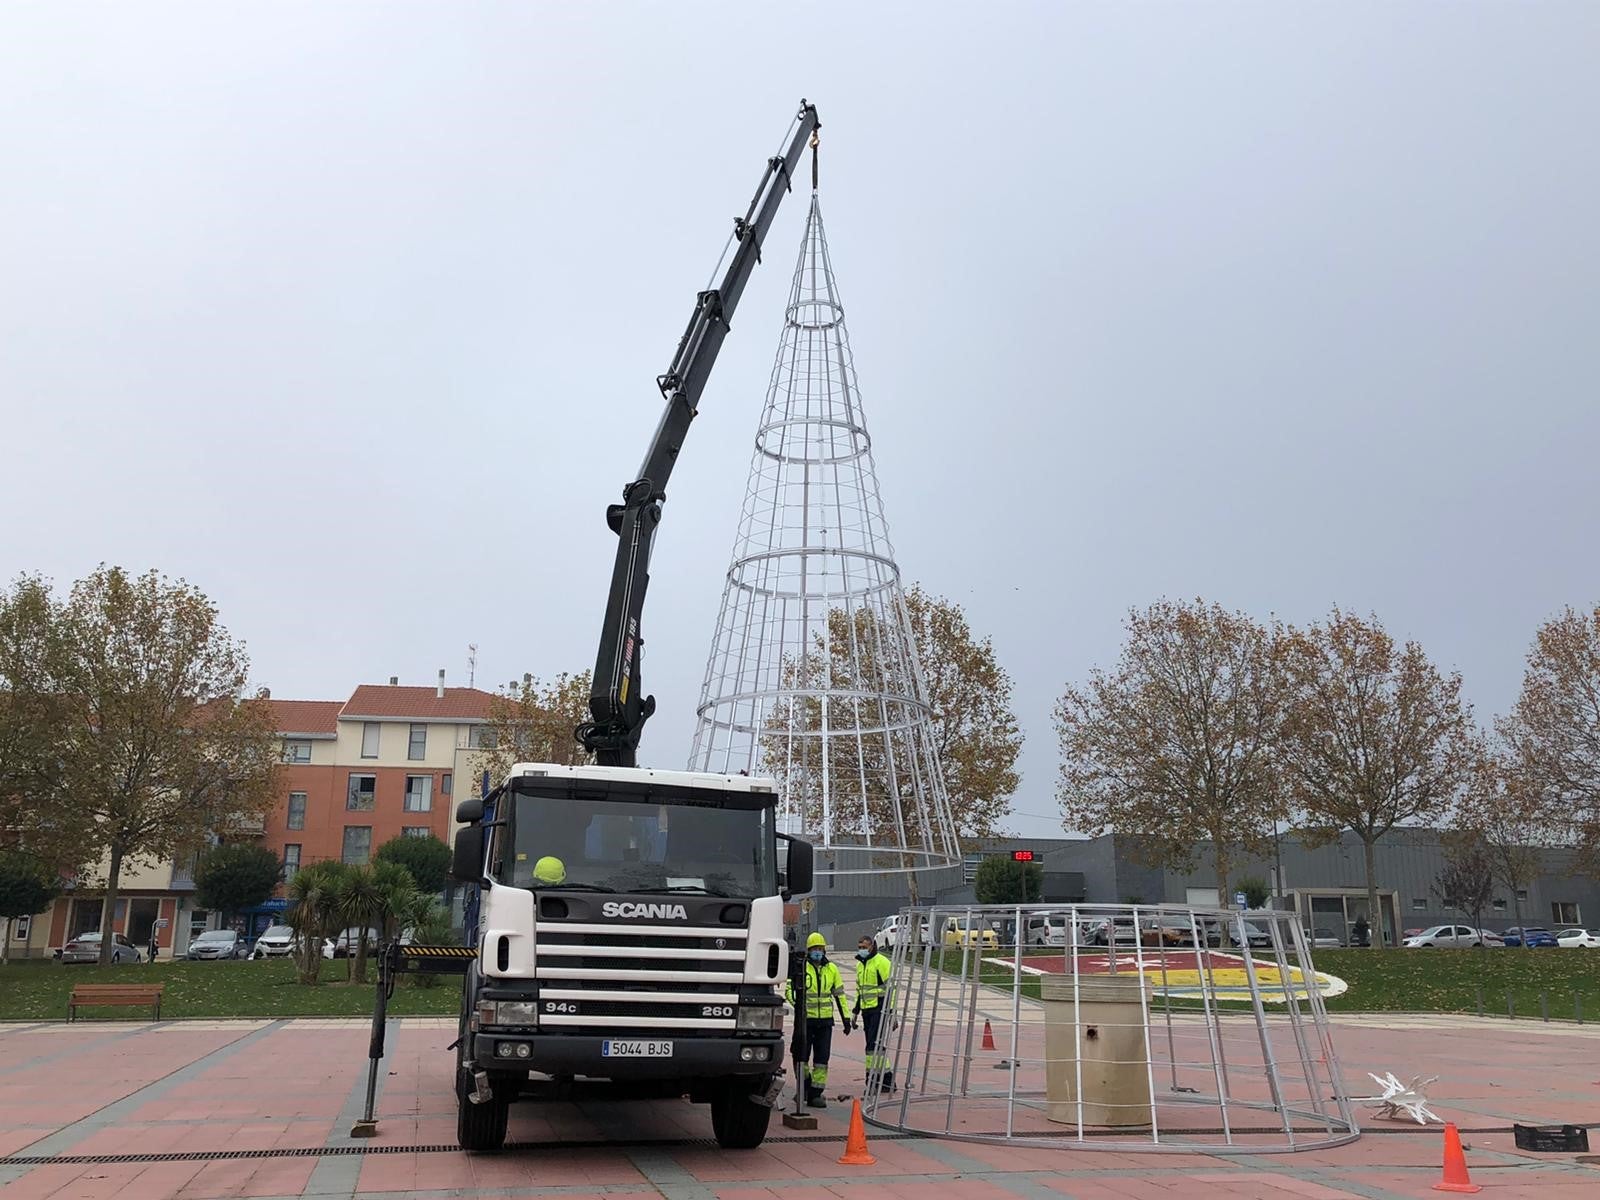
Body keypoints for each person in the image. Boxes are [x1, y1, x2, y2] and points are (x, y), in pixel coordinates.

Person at [785, 932, 849, 1108]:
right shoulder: (801, 967)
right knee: (800, 1055)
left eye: (820, 949)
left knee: (822, 1060)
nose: (818, 952)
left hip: (825, 1022)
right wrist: (799, 1006)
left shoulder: (832, 969)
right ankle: (804, 1087)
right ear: (809, 950)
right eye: (814, 949)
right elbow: (790, 991)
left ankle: (815, 1094)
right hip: (806, 1021)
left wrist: (846, 1018)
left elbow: (840, 995)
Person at [853, 934, 895, 1093]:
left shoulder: (881, 962)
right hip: (867, 1010)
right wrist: (855, 1012)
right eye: (859, 947)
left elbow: (891, 988)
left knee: (871, 1046)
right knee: (877, 1047)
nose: (861, 950)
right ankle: (887, 1080)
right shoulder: (860, 965)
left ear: (872, 946)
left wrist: (891, 1012)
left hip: (880, 1009)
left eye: (864, 947)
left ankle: (872, 1080)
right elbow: (860, 990)